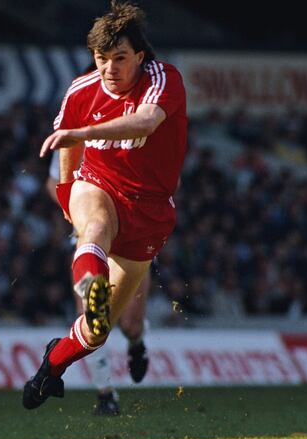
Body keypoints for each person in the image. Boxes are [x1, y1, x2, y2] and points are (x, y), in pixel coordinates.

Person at [23, 1, 187, 409]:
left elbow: (146, 121)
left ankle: (52, 365)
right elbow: (69, 146)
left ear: (140, 57)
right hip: (98, 185)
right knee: (92, 228)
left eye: (119, 59)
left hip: (149, 213)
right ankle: (89, 285)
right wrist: (66, 193)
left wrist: (84, 129)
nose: (109, 69)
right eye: (101, 59)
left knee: (102, 331)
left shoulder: (163, 79)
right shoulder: (82, 89)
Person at [46, 152, 150, 415]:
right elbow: (53, 181)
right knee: (91, 317)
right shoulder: (74, 133)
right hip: (90, 237)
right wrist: (76, 207)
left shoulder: (135, 127)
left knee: (130, 324)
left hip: (131, 235)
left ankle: (136, 342)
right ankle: (106, 395)